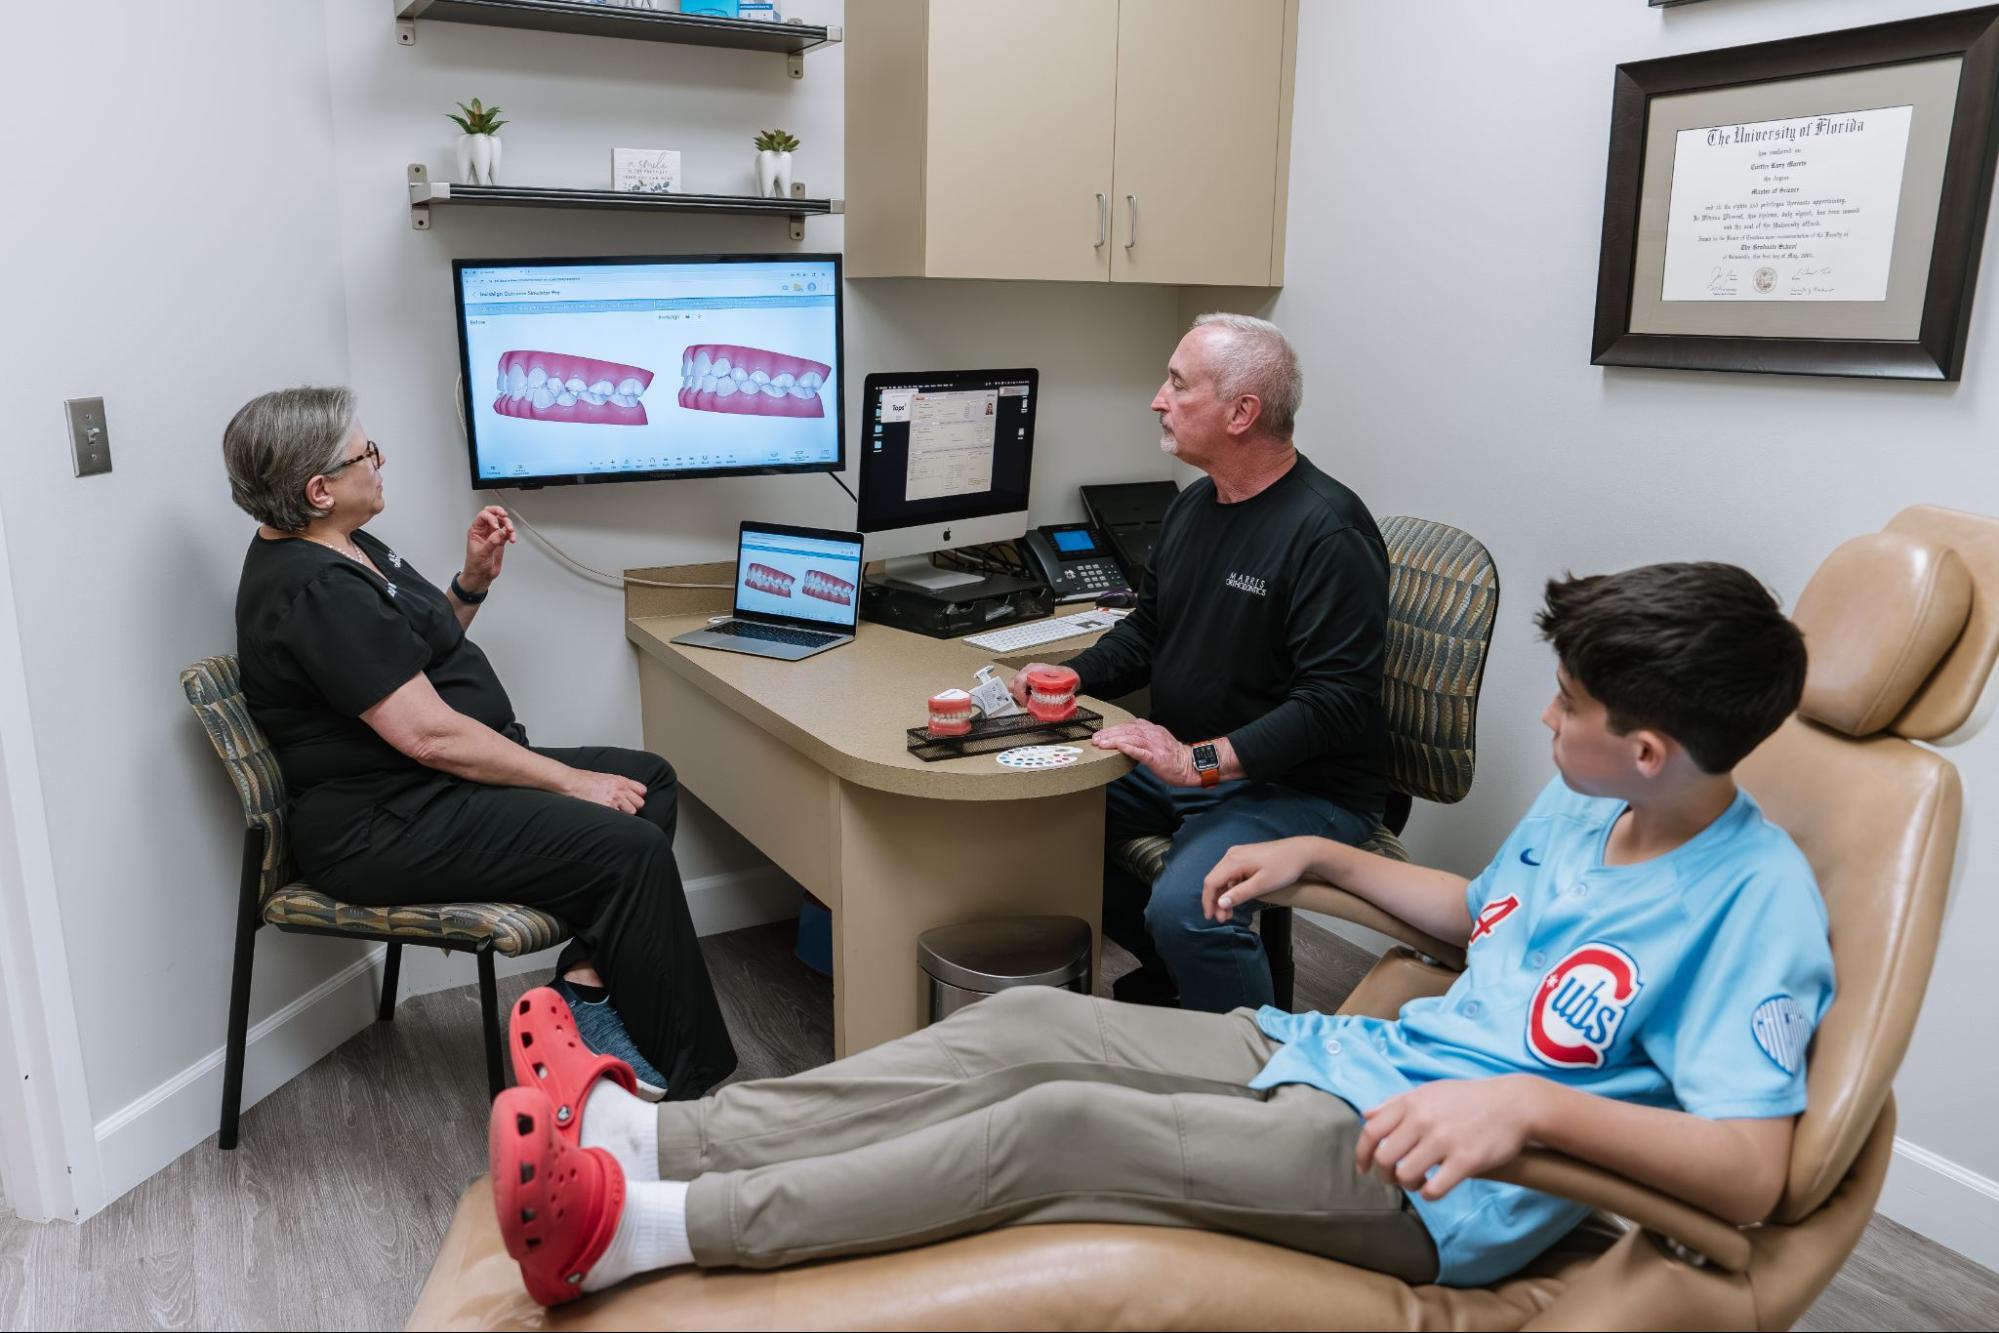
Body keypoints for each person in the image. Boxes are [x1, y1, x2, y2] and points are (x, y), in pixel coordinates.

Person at [481, 560, 1833, 1302]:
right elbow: (1483, 921)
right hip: (1345, 1063)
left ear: (1648, 746)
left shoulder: (1753, 906)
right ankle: (655, 1132)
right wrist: (1328, 856)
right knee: (1022, 1026)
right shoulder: (1591, 805)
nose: (1544, 722)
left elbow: (1747, 1174)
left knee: (1057, 1126)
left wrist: (1524, 1119)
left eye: (1568, 707)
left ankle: (647, 1228)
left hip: (1431, 1178)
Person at [225, 386, 735, 1098]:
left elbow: (399, 666)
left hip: (423, 788)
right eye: (365, 454)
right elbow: (426, 733)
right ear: (318, 489)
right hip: (383, 823)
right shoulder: (314, 590)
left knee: (649, 779)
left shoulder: (338, 541)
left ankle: (586, 991)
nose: (378, 462)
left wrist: (469, 584)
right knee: (630, 844)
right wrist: (568, 781)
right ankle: (686, 1086)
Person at [1012, 313, 1390, 1013]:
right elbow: (1150, 631)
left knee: (1190, 908)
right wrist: (1077, 674)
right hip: (1190, 766)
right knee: (1039, 824)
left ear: (1241, 412)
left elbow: (1332, 704)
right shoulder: (1193, 507)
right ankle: (1192, 985)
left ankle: (1258, 1079)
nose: (1157, 398)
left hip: (1299, 787)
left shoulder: (1327, 531)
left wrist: (1198, 763)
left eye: (1178, 384)